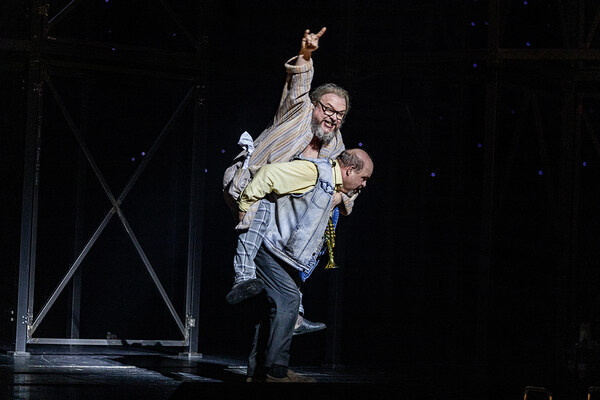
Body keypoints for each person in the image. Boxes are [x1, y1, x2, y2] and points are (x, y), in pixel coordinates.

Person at [222, 27, 357, 334]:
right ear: (315, 106)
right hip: (250, 183)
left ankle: (293, 313)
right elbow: (298, 84)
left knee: (302, 239)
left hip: (285, 208)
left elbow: (349, 179)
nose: (333, 117)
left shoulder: (336, 145)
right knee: (262, 207)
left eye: (340, 114)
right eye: (328, 109)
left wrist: (339, 198)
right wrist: (306, 54)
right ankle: (243, 279)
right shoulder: (297, 113)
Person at [238, 148, 374, 382]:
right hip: (269, 247)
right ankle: (275, 372)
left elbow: (346, 198)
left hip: (285, 256)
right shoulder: (314, 172)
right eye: (363, 178)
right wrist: (244, 209)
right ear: (350, 170)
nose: (364, 185)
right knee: (289, 300)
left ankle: (258, 372)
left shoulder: (334, 184)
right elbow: (268, 174)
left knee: (271, 312)